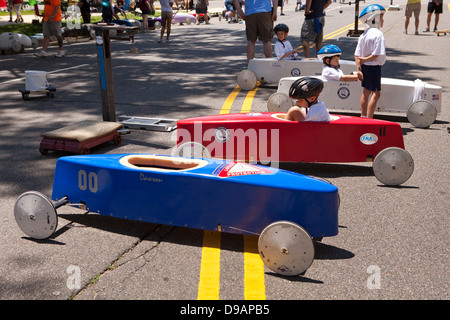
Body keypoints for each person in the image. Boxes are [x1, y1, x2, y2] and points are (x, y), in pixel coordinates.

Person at [354, 4, 386, 118]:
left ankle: (363, 116)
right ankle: (369, 118)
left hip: (365, 68)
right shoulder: (378, 34)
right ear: (375, 19)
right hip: (373, 67)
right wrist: (366, 59)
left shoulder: (363, 34)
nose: (383, 21)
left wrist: (359, 69)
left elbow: (357, 55)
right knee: (376, 94)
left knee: (366, 91)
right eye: (381, 18)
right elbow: (377, 54)